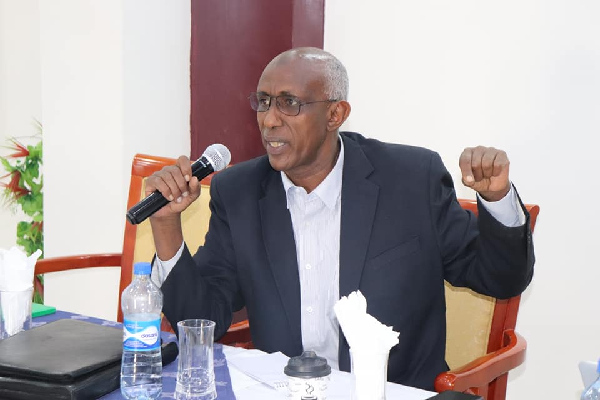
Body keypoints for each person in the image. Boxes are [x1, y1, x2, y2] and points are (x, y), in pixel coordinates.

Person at [147, 47, 534, 391]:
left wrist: (496, 199)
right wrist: (165, 225)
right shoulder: (240, 192)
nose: (269, 120)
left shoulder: (411, 180)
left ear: (335, 114)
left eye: (289, 103)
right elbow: (201, 320)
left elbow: (500, 279)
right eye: (263, 102)